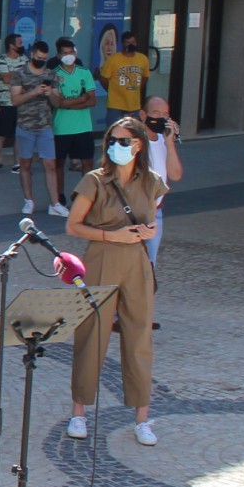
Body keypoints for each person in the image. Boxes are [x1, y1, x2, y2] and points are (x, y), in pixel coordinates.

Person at [64, 118, 166, 445]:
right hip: (103, 255)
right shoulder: (95, 180)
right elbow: (73, 226)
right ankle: (79, 412)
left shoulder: (150, 180)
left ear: (138, 144)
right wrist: (112, 234)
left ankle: (142, 418)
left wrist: (147, 231)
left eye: (123, 141)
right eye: (112, 140)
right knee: (92, 332)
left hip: (137, 259)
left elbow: (151, 218)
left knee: (139, 336)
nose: (116, 146)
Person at [10, 41, 67, 218]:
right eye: (38, 58)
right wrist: (33, 92)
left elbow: (58, 103)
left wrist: (51, 94)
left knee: (50, 164)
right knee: (25, 164)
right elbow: (15, 100)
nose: (41, 60)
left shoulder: (51, 74)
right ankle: (28, 200)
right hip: (25, 126)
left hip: (45, 126)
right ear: (32, 54)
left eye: (44, 58)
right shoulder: (20, 73)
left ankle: (55, 203)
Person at [142, 96, 184, 268]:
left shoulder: (162, 141)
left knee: (149, 267)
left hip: (155, 213)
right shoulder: (134, 140)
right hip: (136, 212)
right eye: (156, 113)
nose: (160, 118)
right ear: (143, 115)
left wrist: (169, 143)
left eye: (165, 114)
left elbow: (175, 175)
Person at [50, 37, 99, 173]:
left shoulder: (84, 72)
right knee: (58, 166)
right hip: (61, 128)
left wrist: (69, 105)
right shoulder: (53, 74)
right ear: (59, 55)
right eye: (65, 53)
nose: (69, 56)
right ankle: (59, 195)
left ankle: (85, 194)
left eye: (71, 52)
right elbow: (58, 103)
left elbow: (93, 101)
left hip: (83, 127)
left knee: (88, 165)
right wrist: (82, 98)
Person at [0, 34, 27, 176]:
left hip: (21, 101)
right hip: (6, 102)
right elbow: (6, 79)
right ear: (12, 45)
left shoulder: (24, 59)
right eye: (19, 42)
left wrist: (16, 73)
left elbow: (29, 75)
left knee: (19, 134)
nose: (22, 44)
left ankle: (17, 164)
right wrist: (21, 73)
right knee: (2, 134)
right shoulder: (2, 60)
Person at [99, 30, 151, 127]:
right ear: (123, 44)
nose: (131, 44)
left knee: (133, 134)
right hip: (115, 105)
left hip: (134, 105)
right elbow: (103, 79)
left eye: (133, 42)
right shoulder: (113, 59)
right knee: (114, 132)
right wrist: (111, 90)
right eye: (128, 42)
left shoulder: (143, 59)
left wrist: (136, 88)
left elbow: (145, 77)